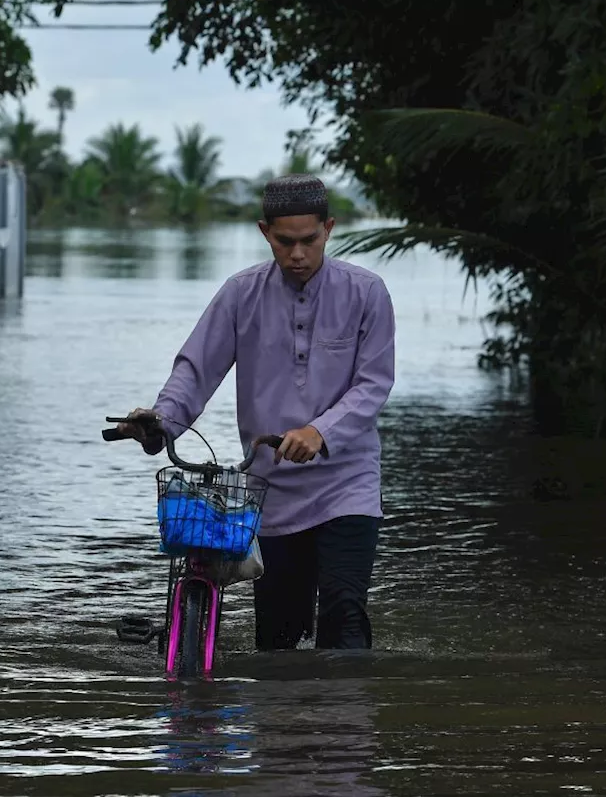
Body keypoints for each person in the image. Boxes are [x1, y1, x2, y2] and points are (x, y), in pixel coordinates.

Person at [114, 173, 396, 650]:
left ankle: (345, 722)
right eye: (284, 242)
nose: (298, 255)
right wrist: (161, 422)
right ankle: (283, 723)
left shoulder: (367, 293)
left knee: (344, 614)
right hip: (271, 490)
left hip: (348, 483)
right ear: (265, 232)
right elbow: (195, 370)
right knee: (279, 638)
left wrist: (319, 431)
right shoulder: (240, 293)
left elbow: (373, 385)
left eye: (309, 240)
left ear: (329, 228)